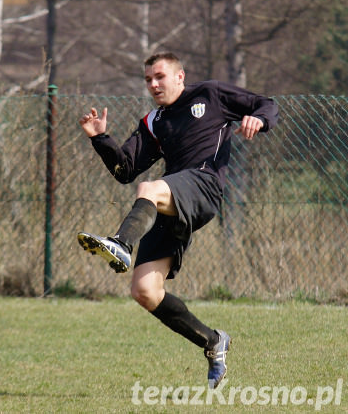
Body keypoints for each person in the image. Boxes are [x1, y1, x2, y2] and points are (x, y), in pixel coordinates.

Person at [76, 52, 278, 389]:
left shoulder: (210, 95)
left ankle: (121, 244)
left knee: (150, 188)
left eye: (160, 76)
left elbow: (266, 103)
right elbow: (124, 169)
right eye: (148, 80)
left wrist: (259, 119)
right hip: (171, 198)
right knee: (145, 291)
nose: (154, 84)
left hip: (204, 186)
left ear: (180, 77)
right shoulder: (155, 121)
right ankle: (213, 343)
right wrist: (100, 138)